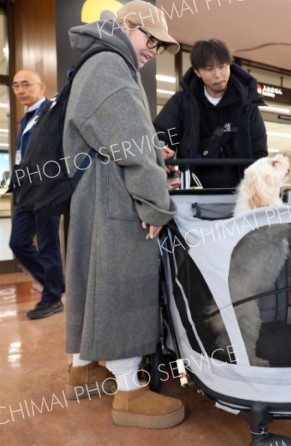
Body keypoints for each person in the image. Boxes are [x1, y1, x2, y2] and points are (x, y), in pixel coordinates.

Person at [63, 1, 183, 429]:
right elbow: (130, 146)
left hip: (91, 194)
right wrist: (155, 203)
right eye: (150, 38)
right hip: (113, 198)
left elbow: (122, 136)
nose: (154, 49)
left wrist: (154, 149)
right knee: (122, 283)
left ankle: (83, 366)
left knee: (92, 279)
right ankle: (130, 390)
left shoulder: (98, 63)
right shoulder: (112, 68)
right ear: (126, 26)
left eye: (161, 45)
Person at [154, 38, 268, 189]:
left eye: (222, 66)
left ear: (229, 65)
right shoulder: (182, 103)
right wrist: (161, 148)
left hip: (239, 194)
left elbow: (259, 152)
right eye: (209, 69)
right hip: (193, 192)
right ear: (197, 72)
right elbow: (160, 135)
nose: (218, 74)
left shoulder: (247, 105)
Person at [8, 70, 65, 320]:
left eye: (26, 84)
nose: (20, 90)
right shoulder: (25, 118)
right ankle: (55, 284)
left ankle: (52, 297)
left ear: (41, 87)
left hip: (46, 188)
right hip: (25, 188)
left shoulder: (52, 112)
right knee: (18, 242)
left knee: (47, 244)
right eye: (16, 85)